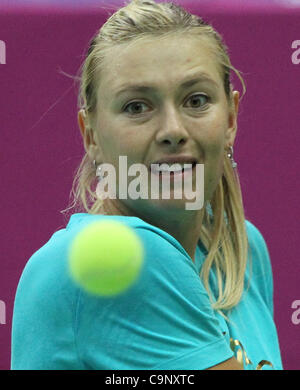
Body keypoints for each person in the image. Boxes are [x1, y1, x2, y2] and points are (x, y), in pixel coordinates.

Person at [11, 0, 283, 370]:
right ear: (90, 134)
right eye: (137, 107)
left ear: (231, 117)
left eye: (196, 100)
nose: (173, 130)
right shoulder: (120, 256)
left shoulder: (241, 248)